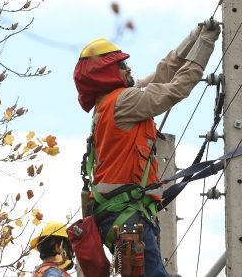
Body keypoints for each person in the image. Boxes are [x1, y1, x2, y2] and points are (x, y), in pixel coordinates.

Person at [73, 20, 221, 276]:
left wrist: (195, 36)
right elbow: (177, 88)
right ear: (107, 72)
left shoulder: (110, 104)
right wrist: (206, 43)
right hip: (127, 216)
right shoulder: (124, 102)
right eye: (121, 65)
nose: (128, 67)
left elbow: (164, 72)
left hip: (125, 215)